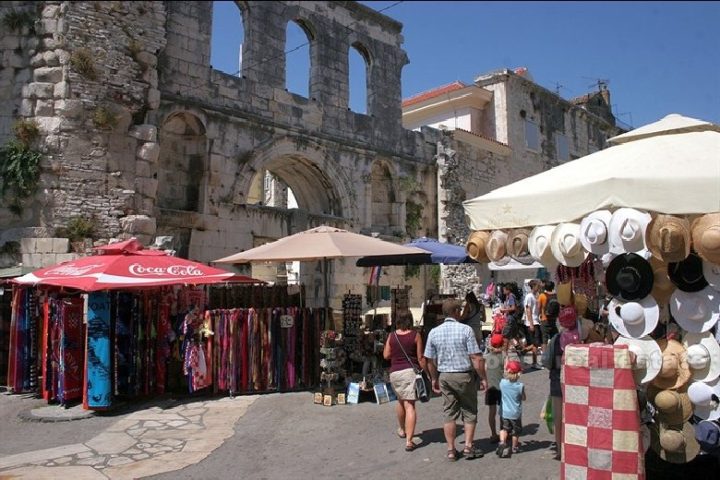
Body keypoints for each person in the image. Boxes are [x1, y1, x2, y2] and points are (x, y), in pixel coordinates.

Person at [425, 298, 488, 462]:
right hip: (464, 374)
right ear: (455, 312)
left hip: (445, 375)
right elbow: (475, 357)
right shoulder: (466, 330)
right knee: (469, 410)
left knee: (449, 413)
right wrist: (483, 378)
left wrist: (433, 378)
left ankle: (451, 449)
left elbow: (429, 360)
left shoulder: (434, 332)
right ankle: (468, 445)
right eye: (459, 310)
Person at [383, 310, 426, 452]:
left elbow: (386, 355)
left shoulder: (392, 336)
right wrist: (428, 373)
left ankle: (402, 429)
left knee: (400, 400)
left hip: (395, 372)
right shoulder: (415, 336)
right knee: (410, 405)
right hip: (409, 372)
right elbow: (420, 358)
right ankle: (409, 441)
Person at [497, 360, 526, 458]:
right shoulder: (520, 386)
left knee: (504, 429)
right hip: (515, 413)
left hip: (504, 412)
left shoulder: (502, 383)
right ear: (519, 374)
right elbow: (523, 398)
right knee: (515, 432)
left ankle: (502, 442)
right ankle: (514, 447)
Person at [485, 333, 505, 443]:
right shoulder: (503, 357)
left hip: (490, 388)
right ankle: (503, 433)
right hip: (502, 388)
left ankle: (493, 434)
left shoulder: (487, 358)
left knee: (491, 412)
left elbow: (485, 369)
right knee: (502, 412)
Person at [521, 280, 542, 368]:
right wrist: (531, 323)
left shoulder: (535, 296)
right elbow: (528, 310)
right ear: (533, 286)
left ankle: (526, 352)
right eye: (538, 286)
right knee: (536, 343)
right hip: (532, 321)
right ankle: (532, 360)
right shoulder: (529, 296)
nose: (539, 287)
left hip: (536, 320)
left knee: (536, 343)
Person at [538, 280, 559, 351]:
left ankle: (544, 358)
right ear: (553, 287)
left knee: (544, 340)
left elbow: (539, 308)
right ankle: (555, 355)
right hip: (553, 320)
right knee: (555, 338)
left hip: (545, 319)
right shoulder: (556, 296)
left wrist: (540, 315)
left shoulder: (542, 296)